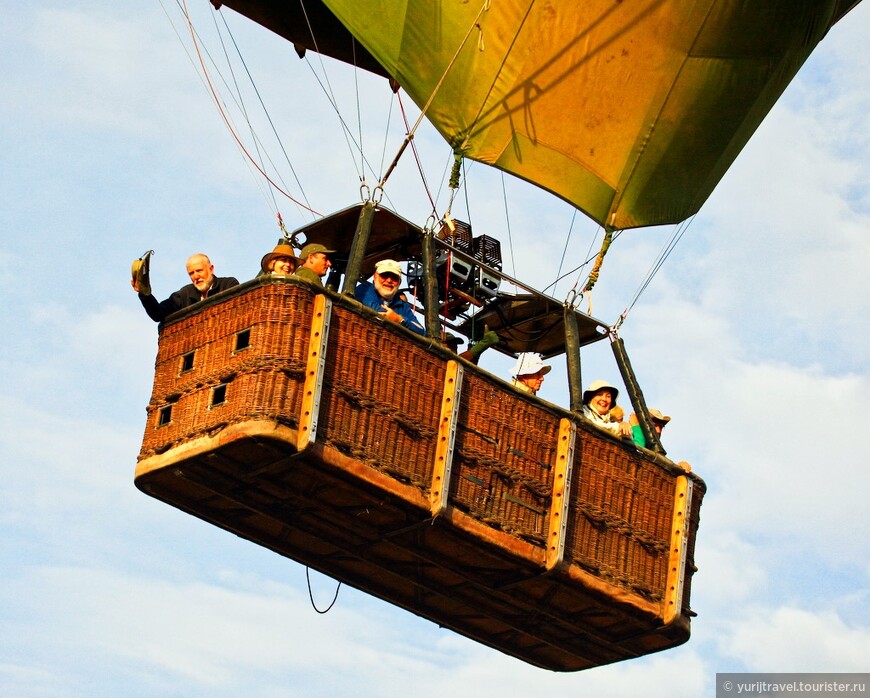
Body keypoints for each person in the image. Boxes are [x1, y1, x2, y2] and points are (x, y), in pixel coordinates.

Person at [132, 252, 239, 323]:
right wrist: (145, 293)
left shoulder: (228, 284)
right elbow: (158, 314)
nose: (196, 276)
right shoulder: (185, 294)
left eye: (199, 271)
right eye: (191, 273)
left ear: (211, 269)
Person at [354, 259, 426, 336]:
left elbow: (421, 331)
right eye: (384, 275)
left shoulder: (402, 305)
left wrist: (399, 320)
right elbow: (378, 311)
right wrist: (397, 320)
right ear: (375, 277)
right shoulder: (365, 289)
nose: (389, 280)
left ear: (399, 282)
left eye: (394, 277)